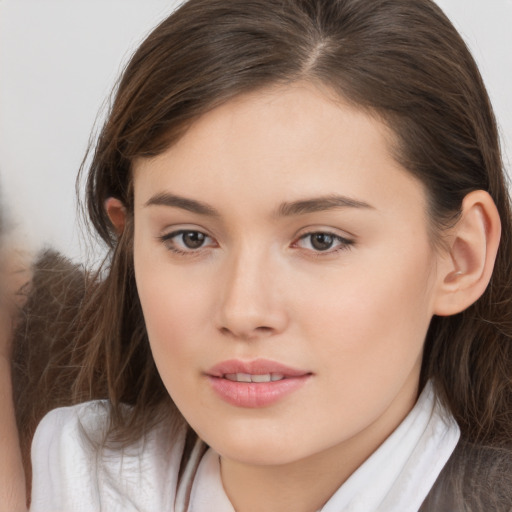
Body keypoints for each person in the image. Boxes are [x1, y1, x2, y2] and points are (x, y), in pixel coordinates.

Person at [4, 0, 512, 510]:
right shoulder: (72, 476)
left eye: (321, 240)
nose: (243, 312)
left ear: (460, 257)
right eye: (190, 238)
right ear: (130, 240)